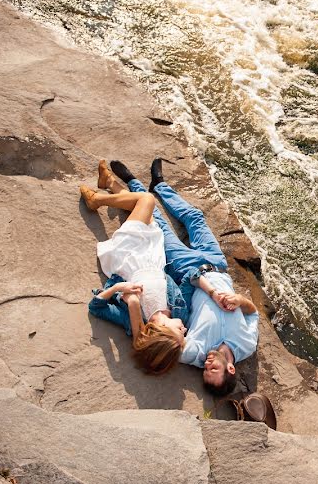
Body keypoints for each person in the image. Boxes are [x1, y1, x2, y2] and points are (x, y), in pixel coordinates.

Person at [108, 158, 260, 398]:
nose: (208, 363)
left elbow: (147, 343)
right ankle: (159, 185)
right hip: (217, 264)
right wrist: (240, 300)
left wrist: (135, 307)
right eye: (214, 368)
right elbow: (253, 313)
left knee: (158, 224)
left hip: (186, 269)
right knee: (195, 217)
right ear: (230, 368)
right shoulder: (247, 345)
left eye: (205, 370)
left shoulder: (195, 352)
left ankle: (132, 183)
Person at [80, 161, 187, 375]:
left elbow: (96, 308)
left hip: (129, 256)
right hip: (154, 255)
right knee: (145, 211)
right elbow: (182, 282)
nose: (185, 329)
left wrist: (119, 289)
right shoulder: (180, 311)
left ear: (164, 331)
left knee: (147, 200)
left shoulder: (133, 317)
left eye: (180, 333)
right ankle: (109, 182)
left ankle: (97, 200)